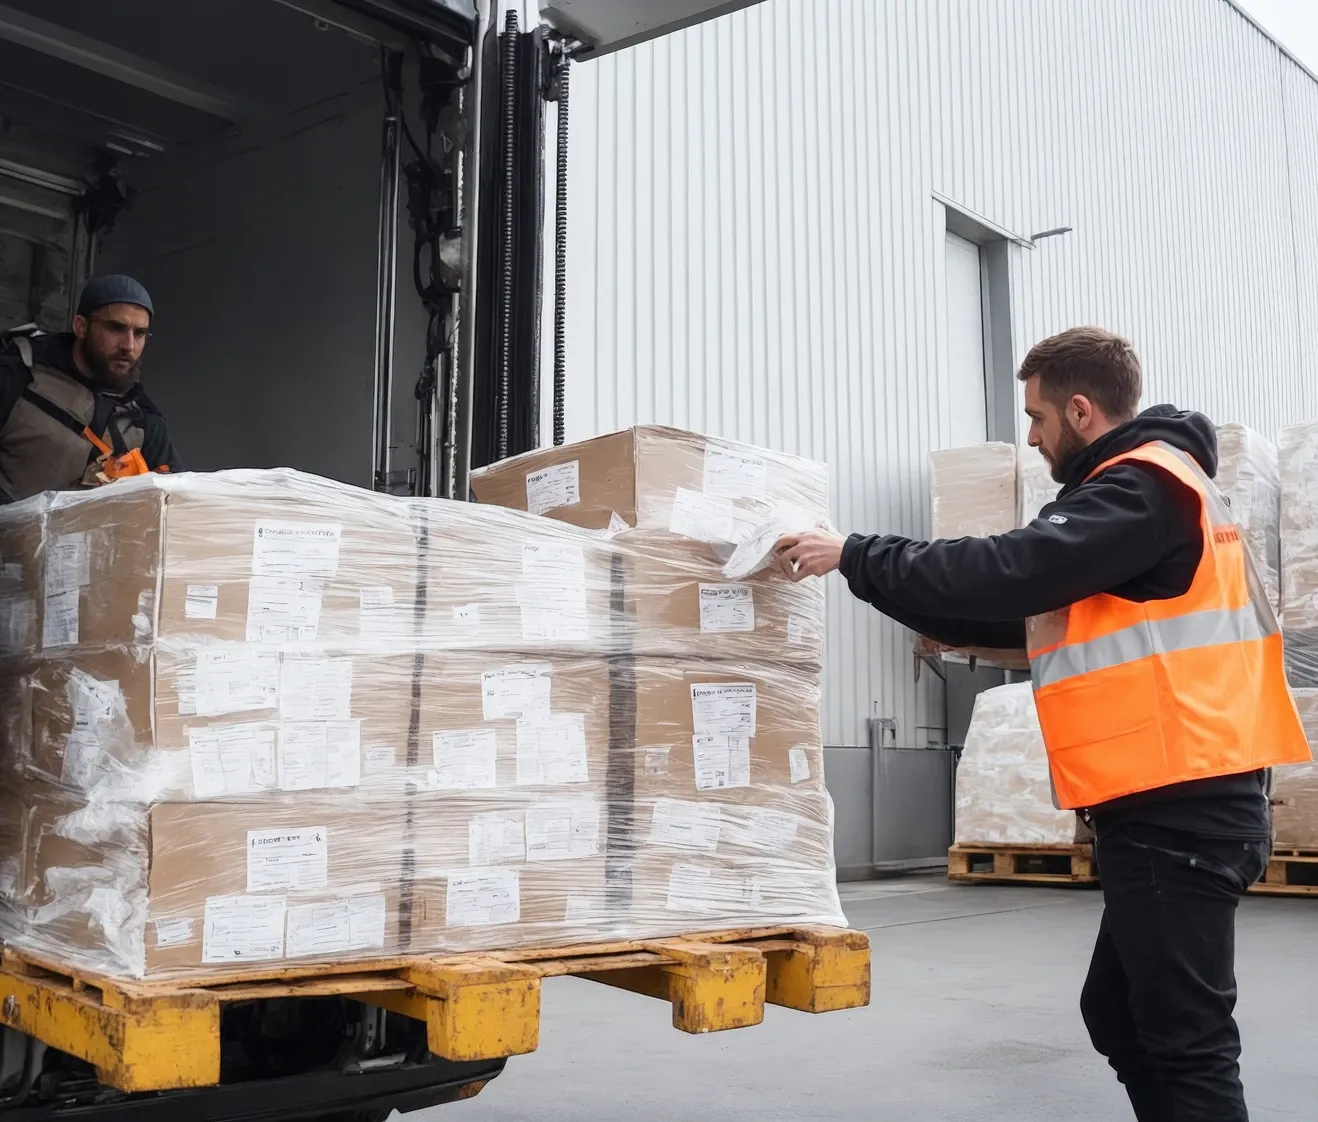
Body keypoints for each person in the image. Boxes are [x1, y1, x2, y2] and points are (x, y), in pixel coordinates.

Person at [774, 325, 1310, 1122]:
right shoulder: (1145, 495)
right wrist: (911, 601)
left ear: (1081, 409)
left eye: (1036, 418)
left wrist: (855, 551)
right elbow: (1044, 610)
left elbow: (1011, 568)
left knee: (1186, 1041)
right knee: (1122, 1015)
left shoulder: (1143, 488)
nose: (1031, 437)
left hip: (1183, 803)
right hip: (1168, 803)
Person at [0, 274, 182, 501]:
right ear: (81, 326)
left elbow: (173, 504)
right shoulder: (19, 373)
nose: (129, 345)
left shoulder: (144, 420)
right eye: (116, 328)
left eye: (140, 333)